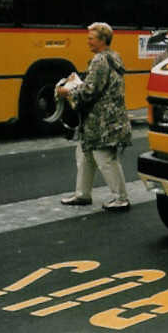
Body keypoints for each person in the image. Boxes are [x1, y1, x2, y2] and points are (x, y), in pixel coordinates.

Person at [57, 22, 132, 211]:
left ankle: (120, 198)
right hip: (105, 118)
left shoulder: (100, 60)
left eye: (91, 38)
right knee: (84, 153)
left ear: (102, 40)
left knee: (104, 157)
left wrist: (67, 91)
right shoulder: (113, 58)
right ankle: (82, 194)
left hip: (101, 121)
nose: (88, 42)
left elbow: (89, 91)